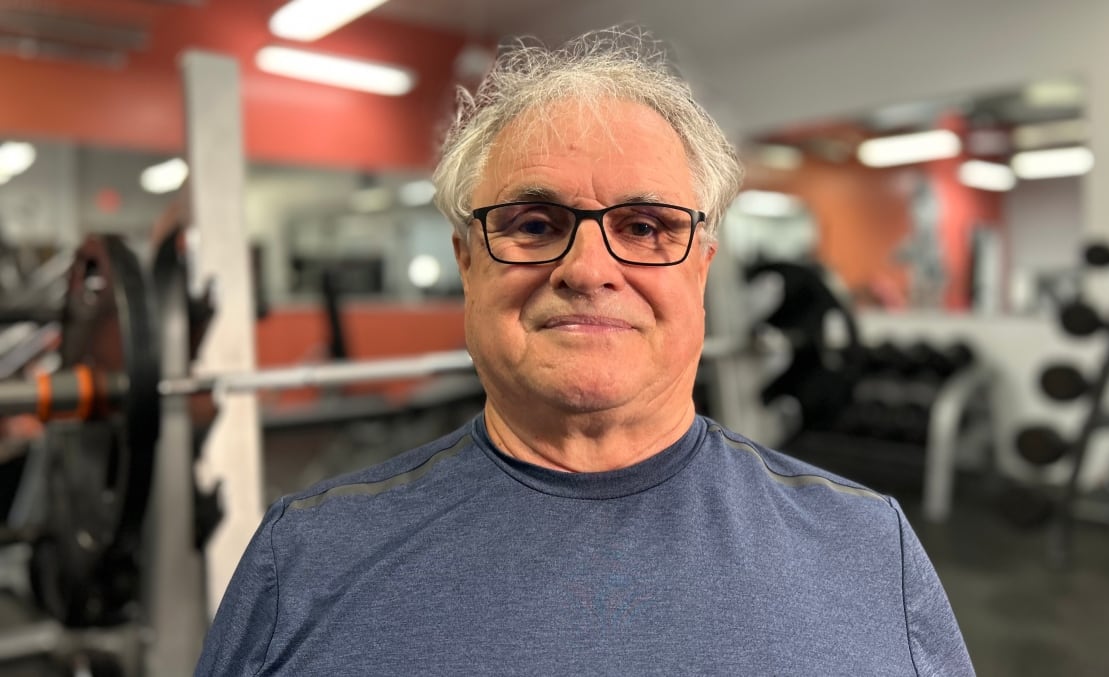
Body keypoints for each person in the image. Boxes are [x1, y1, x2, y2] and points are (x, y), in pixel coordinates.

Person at [195, 27, 974, 676]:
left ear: (701, 266)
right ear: (468, 262)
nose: (589, 268)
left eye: (645, 226)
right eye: (535, 224)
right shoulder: (305, 557)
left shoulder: (868, 547)